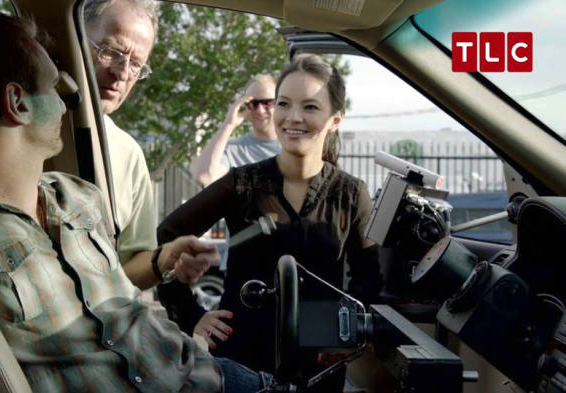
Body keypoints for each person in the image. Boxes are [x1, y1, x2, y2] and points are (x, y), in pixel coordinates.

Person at [0, 11, 272, 393]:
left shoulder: (80, 196)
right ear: (18, 103)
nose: (69, 97)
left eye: (136, 64)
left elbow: (126, 301)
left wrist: (164, 263)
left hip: (200, 371)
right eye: (53, 86)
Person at [157, 54, 384, 376]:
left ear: (335, 118)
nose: (292, 117)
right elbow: (167, 235)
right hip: (240, 361)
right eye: (283, 104)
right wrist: (191, 315)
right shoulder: (242, 183)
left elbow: (369, 280)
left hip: (318, 364)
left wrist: (346, 338)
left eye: (310, 106)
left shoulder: (350, 193)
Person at [83, 0, 163, 289]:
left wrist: (165, 259)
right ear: (76, 36)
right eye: (112, 52)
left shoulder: (128, 153)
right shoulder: (11, 124)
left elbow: (132, 266)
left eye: (137, 65)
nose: (122, 73)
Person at [190, 74, 281, 188]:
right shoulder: (233, 150)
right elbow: (204, 177)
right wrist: (228, 124)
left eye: (267, 102)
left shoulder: (296, 145)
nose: (260, 110)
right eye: (253, 103)